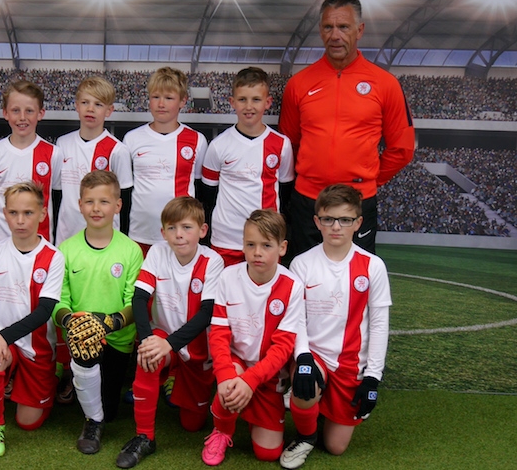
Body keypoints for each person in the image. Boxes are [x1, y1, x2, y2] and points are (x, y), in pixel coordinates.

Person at [278, 0, 415, 257]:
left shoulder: (385, 84)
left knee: (354, 276)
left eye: (343, 27)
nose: (335, 35)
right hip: (307, 201)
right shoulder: (299, 84)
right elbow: (289, 144)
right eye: (328, 27)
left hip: (357, 201)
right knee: (303, 274)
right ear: (320, 31)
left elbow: (402, 148)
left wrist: (367, 179)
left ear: (359, 30)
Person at [280, 184, 391, 469]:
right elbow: (296, 318)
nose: (336, 227)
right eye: (328, 219)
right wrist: (303, 357)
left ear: (358, 223)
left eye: (345, 219)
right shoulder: (302, 264)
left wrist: (372, 378)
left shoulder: (373, 266)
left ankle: (321, 408)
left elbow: (379, 324)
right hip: (314, 355)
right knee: (305, 388)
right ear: (317, 221)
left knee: (335, 447)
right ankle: (306, 435)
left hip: (350, 362)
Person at [116, 196, 224, 468]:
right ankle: (144, 436)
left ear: (202, 230)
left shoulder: (213, 261)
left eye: (187, 227)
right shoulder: (157, 252)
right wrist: (147, 339)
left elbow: (206, 314)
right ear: (163, 232)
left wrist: (170, 344)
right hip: (162, 338)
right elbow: (139, 298)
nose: (179, 235)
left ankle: (175, 380)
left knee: (192, 424)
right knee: (148, 356)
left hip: (197, 349)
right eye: (172, 228)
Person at [201, 209, 305, 466]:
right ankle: (222, 430)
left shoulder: (292, 286)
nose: (257, 252)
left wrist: (252, 380)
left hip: (268, 375)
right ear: (243, 245)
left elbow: (283, 348)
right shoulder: (228, 277)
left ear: (282, 248)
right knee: (230, 383)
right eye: (250, 244)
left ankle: (248, 409)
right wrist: (225, 375)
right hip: (235, 364)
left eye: (266, 245)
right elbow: (219, 335)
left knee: (267, 454)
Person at [53, 170, 144, 455]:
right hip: (80, 337)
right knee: (96, 410)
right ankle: (92, 420)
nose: (96, 208)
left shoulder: (131, 250)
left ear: (118, 206)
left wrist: (108, 322)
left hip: (117, 339)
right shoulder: (66, 250)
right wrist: (73, 322)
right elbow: (57, 302)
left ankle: (85, 389)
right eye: (90, 201)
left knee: (111, 411)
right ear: (80, 205)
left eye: (104, 201)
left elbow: (135, 303)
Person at [0, 181, 66, 458]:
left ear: (42, 214)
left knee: (28, 422)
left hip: (36, 348)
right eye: (13, 213)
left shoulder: (53, 257)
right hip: (1, 342)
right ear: (4, 214)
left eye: (28, 213)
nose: (20, 220)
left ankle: (46, 377)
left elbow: (44, 311)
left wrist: (2, 337)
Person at [201, 67, 294, 266]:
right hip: (227, 239)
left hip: (266, 238)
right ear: (232, 102)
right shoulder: (218, 145)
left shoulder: (281, 144)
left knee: (263, 286)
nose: (249, 106)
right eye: (242, 99)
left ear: (268, 102)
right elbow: (208, 194)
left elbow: (285, 191)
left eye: (256, 99)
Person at [123, 67, 208, 255]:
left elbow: (200, 187)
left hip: (180, 236)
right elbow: (125, 191)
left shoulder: (197, 140)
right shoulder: (132, 138)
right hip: (140, 234)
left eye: (169, 98)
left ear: (182, 101)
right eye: (156, 97)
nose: (161, 104)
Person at [0, 80, 62, 246]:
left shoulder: (54, 154)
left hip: (39, 242)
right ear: (5, 113)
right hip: (0, 241)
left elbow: (56, 198)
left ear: (40, 113)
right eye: (15, 110)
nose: (22, 117)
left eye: (29, 111)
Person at [55, 76, 133, 245]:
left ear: (109, 110)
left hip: (104, 240)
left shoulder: (118, 150)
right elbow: (57, 195)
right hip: (66, 237)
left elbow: (125, 200)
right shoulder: (62, 144)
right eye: (85, 102)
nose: (90, 109)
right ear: (77, 106)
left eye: (98, 104)